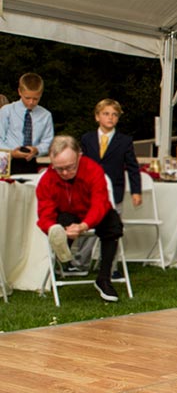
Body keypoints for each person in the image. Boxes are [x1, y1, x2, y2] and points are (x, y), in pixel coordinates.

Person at [59, 99, 142, 276]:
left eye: (114, 114)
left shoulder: (124, 141)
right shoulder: (87, 139)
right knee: (87, 226)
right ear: (97, 117)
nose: (110, 117)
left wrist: (136, 191)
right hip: (89, 191)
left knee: (112, 229)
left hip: (115, 193)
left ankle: (112, 267)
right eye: (106, 113)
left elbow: (133, 168)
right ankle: (80, 263)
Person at [36, 136, 124, 302]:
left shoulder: (94, 170)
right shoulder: (47, 180)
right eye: (59, 168)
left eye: (70, 167)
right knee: (58, 222)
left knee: (113, 222)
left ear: (79, 155)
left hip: (92, 213)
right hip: (66, 216)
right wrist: (51, 228)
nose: (64, 173)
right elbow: (44, 214)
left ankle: (104, 279)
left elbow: (100, 203)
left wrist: (84, 225)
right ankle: (63, 252)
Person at [0, 73, 54, 174]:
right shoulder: (6, 111)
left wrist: (37, 150)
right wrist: (12, 152)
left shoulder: (45, 115)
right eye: (27, 98)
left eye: (35, 99)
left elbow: (48, 142)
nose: (31, 102)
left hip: (32, 162)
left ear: (41, 94)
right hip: (7, 161)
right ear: (19, 92)